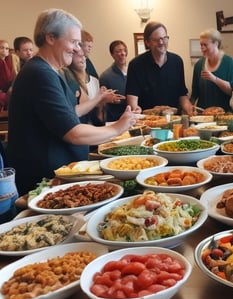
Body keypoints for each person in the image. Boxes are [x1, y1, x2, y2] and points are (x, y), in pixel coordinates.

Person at [7, 8, 137, 195]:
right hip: (45, 183)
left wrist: (104, 106)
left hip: (61, 177)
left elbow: (70, 112)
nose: (78, 49)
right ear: (51, 37)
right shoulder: (39, 73)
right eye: (74, 42)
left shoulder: (49, 71)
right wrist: (117, 128)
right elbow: (73, 133)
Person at [126, 21, 193, 115]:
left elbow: (182, 94)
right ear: (147, 42)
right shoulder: (136, 64)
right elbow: (132, 98)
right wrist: (137, 110)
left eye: (164, 38)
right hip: (147, 121)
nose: (161, 42)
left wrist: (190, 109)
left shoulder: (177, 61)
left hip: (173, 119)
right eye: (156, 40)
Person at [62, 48, 121, 126]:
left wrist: (102, 102)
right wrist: (99, 99)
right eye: (78, 55)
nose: (82, 58)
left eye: (84, 56)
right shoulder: (69, 82)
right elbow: (76, 113)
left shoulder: (95, 81)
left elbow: (98, 121)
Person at [190, 28, 233, 113]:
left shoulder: (229, 62)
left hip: (225, 115)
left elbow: (232, 91)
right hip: (203, 116)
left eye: (205, 45)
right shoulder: (199, 65)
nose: (202, 48)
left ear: (216, 43)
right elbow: (194, 93)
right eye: (201, 45)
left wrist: (214, 79)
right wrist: (189, 109)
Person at [99, 40, 128, 122]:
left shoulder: (133, 72)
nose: (122, 53)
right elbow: (102, 102)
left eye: (124, 50)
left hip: (134, 116)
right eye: (118, 51)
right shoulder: (105, 76)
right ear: (112, 55)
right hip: (115, 120)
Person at [0, 40, 14, 109]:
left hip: (7, 87)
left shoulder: (8, 61)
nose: (4, 50)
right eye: (1, 48)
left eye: (6, 48)